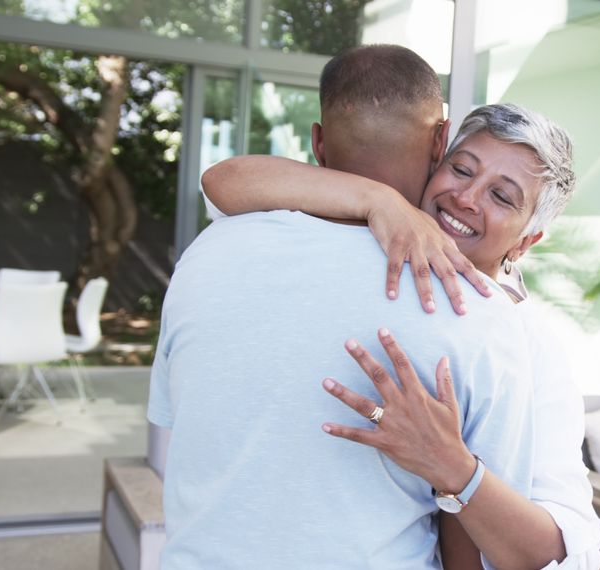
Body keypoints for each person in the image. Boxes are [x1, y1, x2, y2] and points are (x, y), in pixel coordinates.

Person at [148, 45, 539, 569]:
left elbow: (176, 423)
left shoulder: (205, 255)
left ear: (317, 142)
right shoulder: (475, 312)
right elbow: (482, 530)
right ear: (441, 141)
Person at [203, 97, 600, 567]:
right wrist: (380, 199)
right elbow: (222, 184)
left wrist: (453, 467)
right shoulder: (365, 256)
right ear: (436, 161)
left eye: (501, 196)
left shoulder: (526, 343)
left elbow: (561, 553)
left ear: (525, 241)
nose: (466, 198)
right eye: (461, 169)